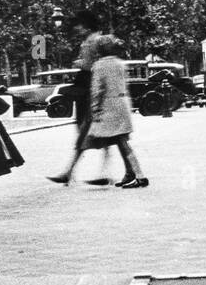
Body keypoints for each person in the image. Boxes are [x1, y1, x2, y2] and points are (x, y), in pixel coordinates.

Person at [52, 37, 147, 188]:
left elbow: (96, 91)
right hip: (122, 104)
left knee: (111, 141)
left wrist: (95, 109)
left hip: (108, 106)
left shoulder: (99, 66)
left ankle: (139, 176)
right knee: (121, 141)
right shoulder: (119, 63)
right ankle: (131, 173)